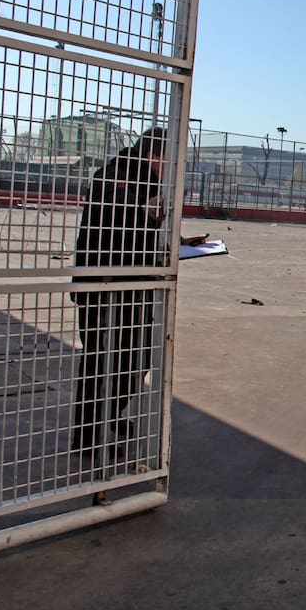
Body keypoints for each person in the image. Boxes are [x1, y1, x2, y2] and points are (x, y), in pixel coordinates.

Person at [70, 128, 173, 463]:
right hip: (103, 284)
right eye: (169, 160)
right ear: (153, 156)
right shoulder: (115, 174)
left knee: (138, 356)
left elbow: (143, 228)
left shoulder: (150, 181)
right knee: (100, 360)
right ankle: (87, 439)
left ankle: (108, 414)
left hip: (133, 284)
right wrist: (147, 212)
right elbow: (118, 215)